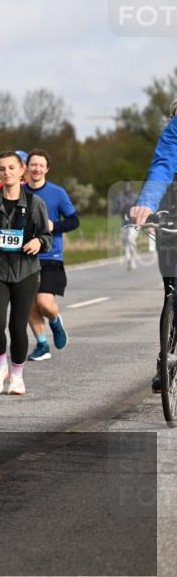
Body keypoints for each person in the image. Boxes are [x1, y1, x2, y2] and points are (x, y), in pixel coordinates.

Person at [0, 151, 52, 396]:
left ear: (22, 171)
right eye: (2, 169)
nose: (7, 173)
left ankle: (17, 375)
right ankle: (0, 367)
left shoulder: (35, 203)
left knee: (17, 327)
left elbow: (46, 237)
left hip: (25, 272)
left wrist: (38, 242)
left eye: (12, 168)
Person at [129, 98, 177, 393]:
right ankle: (166, 357)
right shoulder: (174, 131)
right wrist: (146, 203)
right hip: (172, 212)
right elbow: (162, 165)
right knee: (172, 290)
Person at [22, 150, 79, 362]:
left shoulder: (57, 193)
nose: (36, 169)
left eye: (40, 165)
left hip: (51, 256)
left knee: (44, 303)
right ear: (26, 167)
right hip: (25, 257)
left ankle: (55, 321)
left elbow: (74, 221)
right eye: (33, 164)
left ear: (47, 169)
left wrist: (54, 226)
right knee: (29, 303)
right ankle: (42, 345)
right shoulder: (18, 192)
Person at [113, 181, 139, 271]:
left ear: (131, 187)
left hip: (134, 224)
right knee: (125, 242)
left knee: (130, 239)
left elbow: (140, 208)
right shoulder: (119, 198)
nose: (127, 187)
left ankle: (132, 260)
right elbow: (114, 210)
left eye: (128, 186)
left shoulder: (136, 197)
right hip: (124, 224)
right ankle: (129, 259)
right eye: (125, 186)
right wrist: (121, 207)